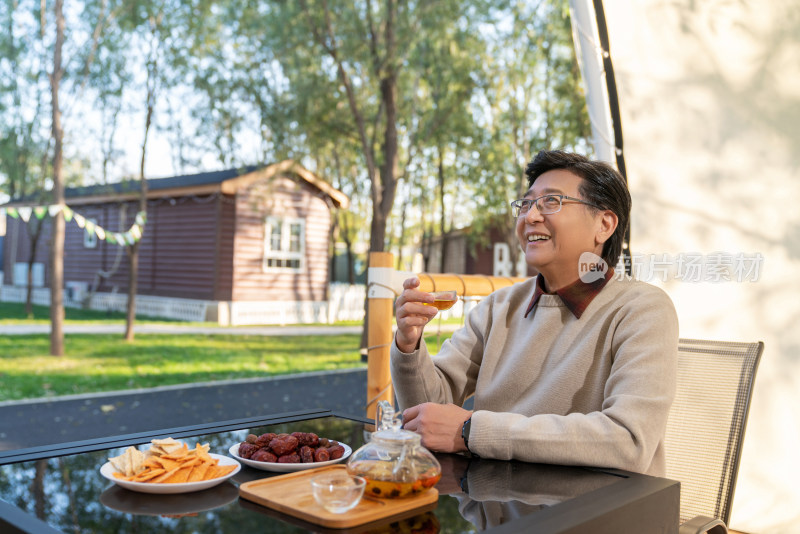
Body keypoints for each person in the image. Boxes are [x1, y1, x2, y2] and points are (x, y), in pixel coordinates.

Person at [391, 150, 678, 476]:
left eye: (551, 202)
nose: (531, 216)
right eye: (526, 204)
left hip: (593, 513)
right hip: (495, 501)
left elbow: (628, 441)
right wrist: (409, 343)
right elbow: (428, 410)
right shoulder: (499, 307)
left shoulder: (642, 309)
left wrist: (472, 430)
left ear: (604, 224)